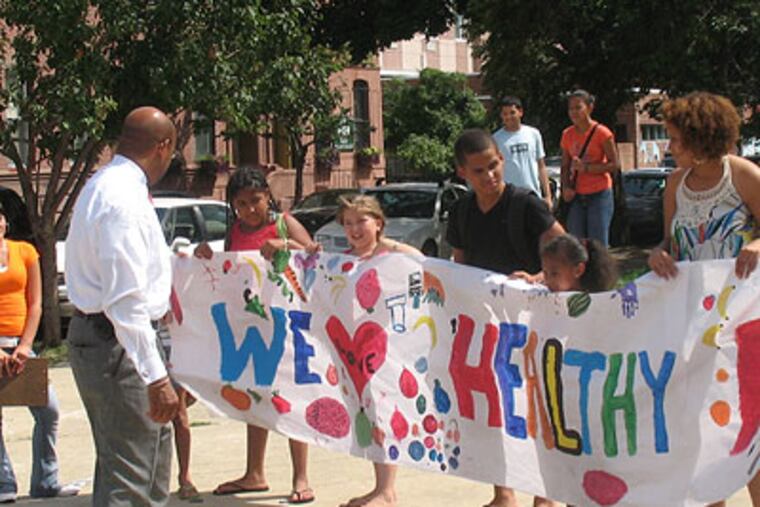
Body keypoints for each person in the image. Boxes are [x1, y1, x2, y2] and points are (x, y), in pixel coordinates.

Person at [647, 92, 760, 507]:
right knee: (702, 431)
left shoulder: (743, 175)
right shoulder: (674, 184)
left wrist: (758, 245)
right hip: (693, 325)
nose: (669, 146)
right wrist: (656, 255)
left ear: (700, 138)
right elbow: (670, 244)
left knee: (749, 431)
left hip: (744, 326)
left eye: (675, 139)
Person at [65, 106, 180, 506]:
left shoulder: (102, 185)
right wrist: (156, 377)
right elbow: (125, 302)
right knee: (134, 482)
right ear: (163, 146)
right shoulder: (123, 201)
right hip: (118, 346)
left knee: (128, 466)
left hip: (101, 340)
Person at [448, 129, 564, 507]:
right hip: (486, 327)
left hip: (534, 325)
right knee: (494, 410)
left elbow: (566, 251)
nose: (490, 176)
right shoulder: (461, 210)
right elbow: (459, 265)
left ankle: (544, 494)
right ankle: (504, 493)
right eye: (479, 170)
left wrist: (539, 278)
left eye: (494, 166)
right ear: (462, 172)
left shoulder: (525, 205)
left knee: (537, 410)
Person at [195, 166, 317, 504]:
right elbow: (230, 268)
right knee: (254, 394)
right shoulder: (234, 230)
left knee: (289, 397)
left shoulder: (283, 222)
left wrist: (286, 244)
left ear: (268, 196)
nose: (250, 209)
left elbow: (313, 255)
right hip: (250, 324)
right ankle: (255, 472)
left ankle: (301, 476)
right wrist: (208, 257)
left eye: (256, 201)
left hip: (286, 325)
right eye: (242, 204)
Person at [336, 195, 422, 507]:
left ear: (378, 223)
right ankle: (379, 487)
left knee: (385, 415)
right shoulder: (344, 261)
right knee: (370, 418)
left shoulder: (392, 255)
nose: (355, 229)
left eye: (362, 221)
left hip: (387, 351)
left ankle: (388, 490)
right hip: (358, 354)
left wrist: (388, 248)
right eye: (348, 223)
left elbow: (421, 263)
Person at [0, 202, 80, 503]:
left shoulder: (25, 252)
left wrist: (23, 346)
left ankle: (46, 481)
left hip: (21, 346)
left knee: (49, 411)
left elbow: (35, 303)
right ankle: (3, 483)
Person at [560, 89, 620, 246]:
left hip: (599, 194)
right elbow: (565, 166)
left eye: (578, 107)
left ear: (590, 108)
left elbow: (615, 165)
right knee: (575, 243)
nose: (573, 112)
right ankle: (580, 270)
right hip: (577, 195)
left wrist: (586, 168)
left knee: (598, 244)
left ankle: (600, 270)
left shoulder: (602, 133)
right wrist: (565, 187)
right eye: (570, 109)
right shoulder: (567, 134)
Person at [492, 96, 553, 209]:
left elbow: (541, 166)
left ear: (520, 112)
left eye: (512, 112)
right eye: (505, 114)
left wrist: (548, 196)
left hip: (533, 195)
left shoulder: (533, 134)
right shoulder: (495, 139)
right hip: (509, 198)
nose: (509, 117)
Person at [538, 234, 618, 293]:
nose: (547, 281)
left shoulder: (596, 301)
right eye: (545, 273)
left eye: (554, 274)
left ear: (578, 270)